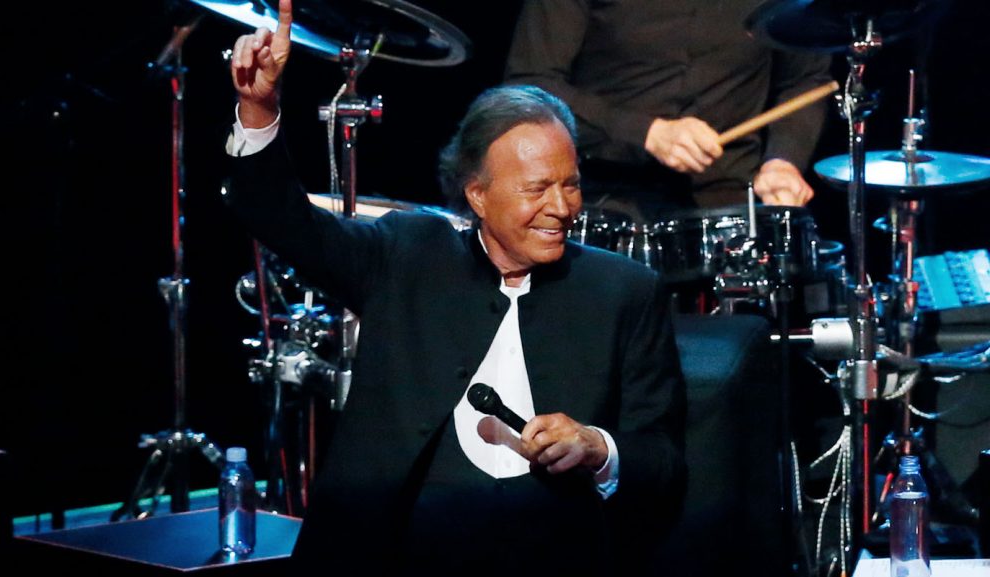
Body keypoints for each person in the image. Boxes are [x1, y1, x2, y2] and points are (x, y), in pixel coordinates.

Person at [223, 0, 686, 574]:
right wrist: (259, 107)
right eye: (537, 188)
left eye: (570, 185)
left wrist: (599, 448)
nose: (562, 207)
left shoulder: (624, 292)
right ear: (477, 196)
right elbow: (281, 219)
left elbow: (664, 463)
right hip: (397, 553)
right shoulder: (408, 255)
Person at [504, 0, 834, 222]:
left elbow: (806, 79)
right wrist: (647, 133)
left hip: (730, 202)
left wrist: (783, 162)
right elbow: (531, 82)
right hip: (605, 197)